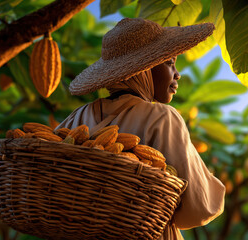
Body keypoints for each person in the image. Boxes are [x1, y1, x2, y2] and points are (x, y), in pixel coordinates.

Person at [56, 18, 225, 239]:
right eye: (169, 63)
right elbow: (198, 207)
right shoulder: (162, 118)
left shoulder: (78, 116)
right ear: (143, 69)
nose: (177, 74)